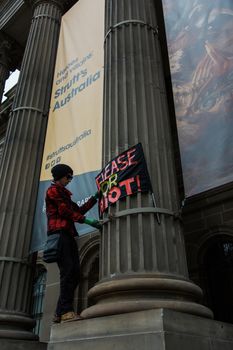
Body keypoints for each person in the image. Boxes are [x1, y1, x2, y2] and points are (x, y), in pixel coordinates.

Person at [45, 163, 101, 323]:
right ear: (61, 176)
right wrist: (89, 221)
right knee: (69, 272)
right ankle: (66, 312)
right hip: (60, 235)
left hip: (67, 235)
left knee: (73, 273)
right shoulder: (53, 191)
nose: (70, 180)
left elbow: (78, 210)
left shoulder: (63, 193)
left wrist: (95, 198)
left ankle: (59, 313)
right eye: (68, 176)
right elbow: (64, 211)